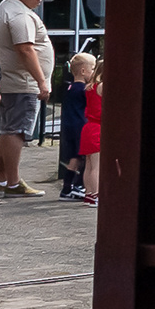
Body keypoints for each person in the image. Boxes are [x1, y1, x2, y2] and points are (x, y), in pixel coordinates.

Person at [0, 0, 57, 199]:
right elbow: (25, 49)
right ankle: (13, 182)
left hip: (12, 81)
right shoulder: (19, 15)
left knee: (7, 130)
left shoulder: (9, 7)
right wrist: (41, 82)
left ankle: (2, 181)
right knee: (15, 132)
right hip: (22, 83)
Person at [64, 51, 103, 206]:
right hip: (92, 128)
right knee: (96, 165)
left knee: (86, 162)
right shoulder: (94, 88)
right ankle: (96, 194)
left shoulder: (79, 88)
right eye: (91, 68)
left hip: (83, 128)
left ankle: (86, 192)